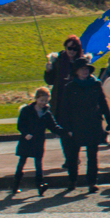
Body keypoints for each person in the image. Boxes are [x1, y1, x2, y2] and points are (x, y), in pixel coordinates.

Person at [59, 55, 110, 193]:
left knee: (92, 155)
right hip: (75, 124)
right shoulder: (70, 87)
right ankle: (72, 181)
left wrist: (109, 120)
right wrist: (67, 128)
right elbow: (64, 109)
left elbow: (102, 103)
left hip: (92, 123)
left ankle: (92, 182)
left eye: (86, 69)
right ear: (76, 71)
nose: (85, 71)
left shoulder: (96, 84)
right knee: (73, 156)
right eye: (82, 69)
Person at [44, 35, 87, 180]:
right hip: (61, 102)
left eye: (74, 48)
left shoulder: (81, 62)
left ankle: (74, 157)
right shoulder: (58, 62)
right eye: (69, 48)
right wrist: (48, 70)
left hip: (76, 103)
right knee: (63, 131)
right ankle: (69, 158)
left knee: (76, 131)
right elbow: (50, 81)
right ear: (65, 48)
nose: (72, 51)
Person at [12, 87, 61, 195]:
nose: (44, 103)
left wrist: (63, 132)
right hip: (27, 141)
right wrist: (25, 134)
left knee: (38, 165)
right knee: (21, 163)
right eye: (42, 100)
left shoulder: (46, 113)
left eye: (46, 101)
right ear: (36, 99)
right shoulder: (26, 110)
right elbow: (20, 125)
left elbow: (53, 126)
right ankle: (16, 184)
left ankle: (39, 185)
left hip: (38, 142)